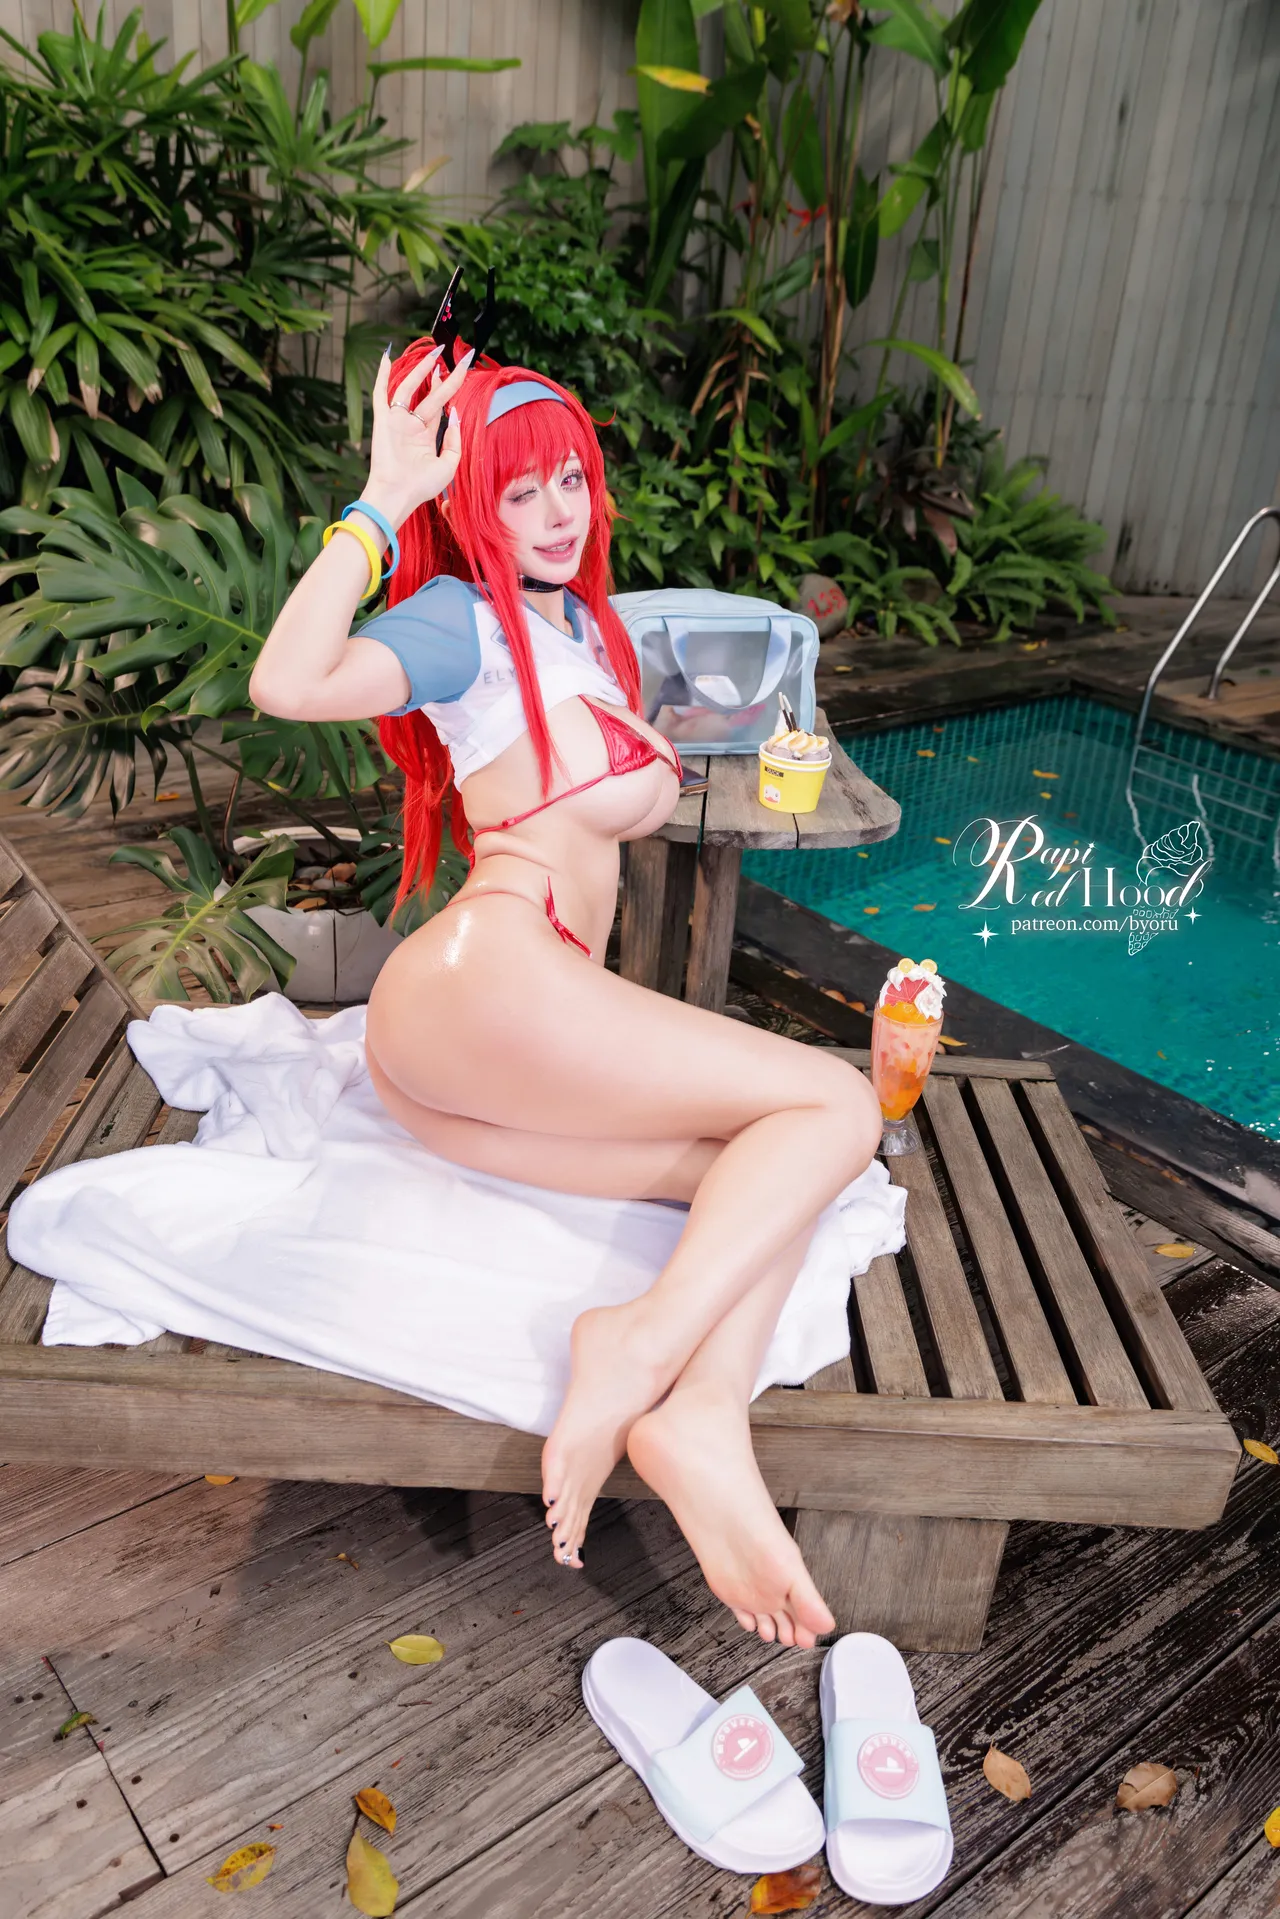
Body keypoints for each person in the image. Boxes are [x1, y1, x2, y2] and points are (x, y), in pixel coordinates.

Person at [249, 339, 883, 1651]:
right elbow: (288, 683)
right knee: (837, 1103)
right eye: (519, 489)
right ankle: (636, 1347)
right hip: (486, 979)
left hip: (483, 1055)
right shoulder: (463, 624)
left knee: (766, 1175)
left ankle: (700, 1412)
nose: (554, 513)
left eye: (571, 483)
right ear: (473, 504)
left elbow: (655, 750)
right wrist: (384, 501)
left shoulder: (583, 631)